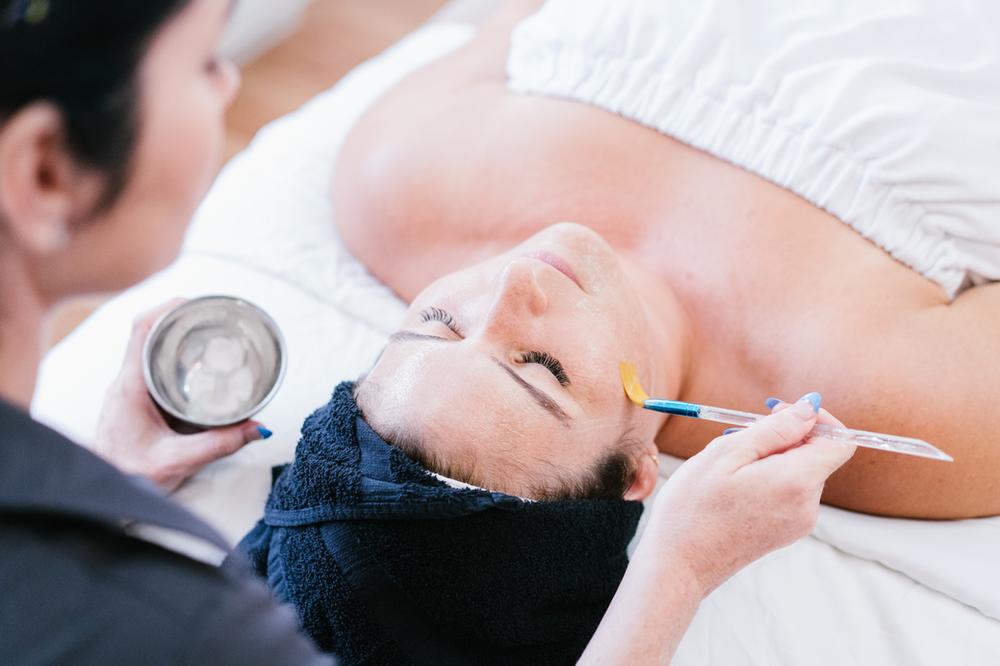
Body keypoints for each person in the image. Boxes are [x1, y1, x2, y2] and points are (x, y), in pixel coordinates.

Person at [0, 0, 855, 664]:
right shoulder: (200, 637)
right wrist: (678, 573)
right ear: (43, 168)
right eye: (201, 65)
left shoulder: (388, 180)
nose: (229, 86)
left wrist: (105, 487)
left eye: (435, 322)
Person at [332, 0, 1000, 520]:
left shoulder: (394, 184)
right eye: (542, 367)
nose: (515, 281)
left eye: (442, 319)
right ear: (634, 473)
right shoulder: (874, 401)